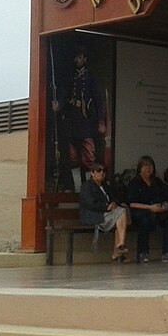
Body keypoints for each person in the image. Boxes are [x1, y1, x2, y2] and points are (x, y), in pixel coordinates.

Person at [52, 46, 107, 192]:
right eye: (76, 57)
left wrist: (101, 121)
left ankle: (91, 188)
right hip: (72, 120)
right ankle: (77, 188)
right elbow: (64, 95)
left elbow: (99, 100)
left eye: (80, 57)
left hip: (86, 121)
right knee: (72, 157)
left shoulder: (90, 77)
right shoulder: (70, 77)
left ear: (85, 59)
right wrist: (59, 104)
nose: (77, 60)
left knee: (89, 156)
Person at [126, 155, 168, 263]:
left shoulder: (157, 182)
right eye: (145, 166)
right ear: (140, 169)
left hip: (158, 212)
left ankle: (167, 252)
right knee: (144, 222)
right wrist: (150, 208)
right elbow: (131, 203)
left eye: (150, 166)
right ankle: (143, 253)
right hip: (142, 212)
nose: (148, 168)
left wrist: (165, 205)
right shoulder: (135, 183)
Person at [77, 161, 130, 262]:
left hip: (106, 214)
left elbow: (113, 198)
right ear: (92, 173)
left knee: (121, 213)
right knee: (121, 213)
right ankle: (120, 247)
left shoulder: (105, 186)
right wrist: (106, 207)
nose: (102, 173)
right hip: (93, 215)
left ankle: (118, 251)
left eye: (104, 171)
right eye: (98, 170)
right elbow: (90, 203)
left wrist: (114, 203)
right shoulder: (86, 187)